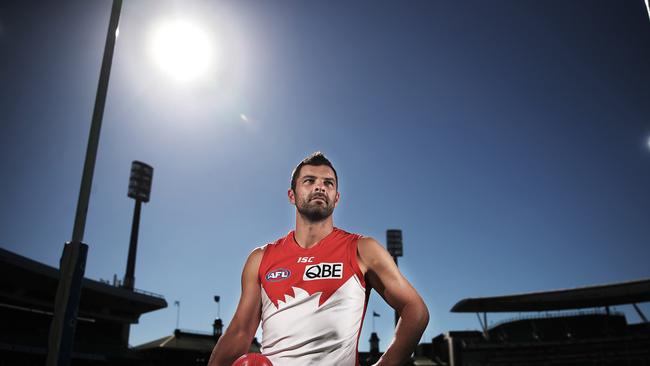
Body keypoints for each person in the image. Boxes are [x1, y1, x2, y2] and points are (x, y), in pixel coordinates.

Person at [208, 152, 429, 366]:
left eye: (329, 183)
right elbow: (240, 332)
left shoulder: (363, 249)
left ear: (337, 197)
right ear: (291, 195)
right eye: (309, 180)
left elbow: (415, 310)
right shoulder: (260, 258)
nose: (320, 186)